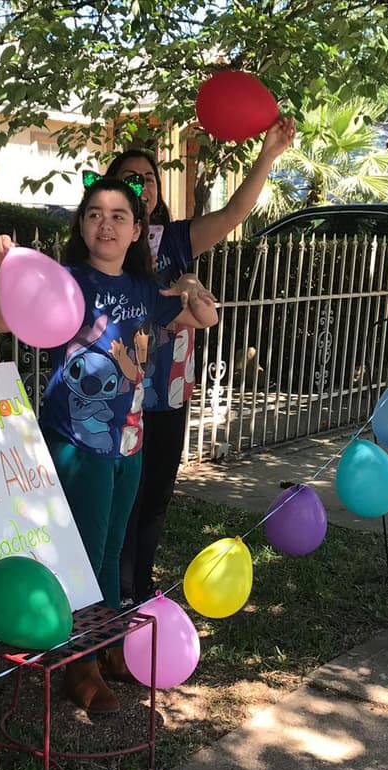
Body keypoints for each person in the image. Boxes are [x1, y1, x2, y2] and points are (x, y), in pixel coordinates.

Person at [0, 175, 217, 713]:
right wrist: (0, 269)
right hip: (75, 443)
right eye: (94, 214)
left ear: (138, 229)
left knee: (113, 549)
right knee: (85, 552)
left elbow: (207, 317)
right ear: (81, 225)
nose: (105, 225)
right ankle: (80, 666)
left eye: (118, 216)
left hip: (129, 442)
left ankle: (108, 644)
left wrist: (192, 288)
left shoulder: (146, 289)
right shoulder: (65, 279)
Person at [104, 116, 296, 605]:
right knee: (119, 500)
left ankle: (140, 586)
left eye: (147, 178)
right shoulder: (105, 238)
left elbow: (234, 213)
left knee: (155, 499)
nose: (139, 186)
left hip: (167, 391)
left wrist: (268, 154)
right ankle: (113, 591)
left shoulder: (174, 239)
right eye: (128, 178)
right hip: (117, 395)